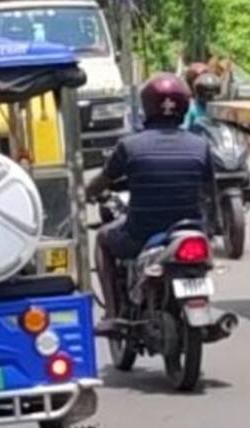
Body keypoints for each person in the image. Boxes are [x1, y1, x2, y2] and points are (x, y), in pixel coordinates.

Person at [89, 74, 216, 312]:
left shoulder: (129, 145)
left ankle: (112, 310)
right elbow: (210, 192)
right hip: (189, 231)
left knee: (103, 239)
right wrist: (209, 228)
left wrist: (87, 192)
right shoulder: (201, 146)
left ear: (146, 106)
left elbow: (103, 180)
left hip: (141, 235)